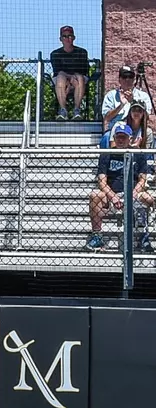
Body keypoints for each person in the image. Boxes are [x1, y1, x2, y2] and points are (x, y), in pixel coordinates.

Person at [88, 122, 152, 250]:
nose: (121, 140)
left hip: (134, 193)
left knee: (149, 198)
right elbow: (102, 182)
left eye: (124, 137)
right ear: (114, 138)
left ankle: (144, 235)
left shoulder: (138, 154)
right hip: (112, 195)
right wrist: (113, 197)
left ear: (130, 139)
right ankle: (97, 236)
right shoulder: (106, 154)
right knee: (95, 195)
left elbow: (142, 179)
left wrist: (133, 193)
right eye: (118, 137)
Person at [50, 26, 91, 120]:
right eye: (64, 36)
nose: (67, 38)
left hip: (78, 79)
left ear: (73, 37)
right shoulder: (55, 54)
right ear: (60, 39)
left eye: (69, 36)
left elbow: (83, 70)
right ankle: (63, 110)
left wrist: (72, 80)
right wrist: (69, 80)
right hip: (63, 80)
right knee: (61, 77)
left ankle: (77, 110)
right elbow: (57, 71)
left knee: (79, 77)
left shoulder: (82, 52)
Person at [101, 64, 153, 132]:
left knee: (149, 133)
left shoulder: (143, 96)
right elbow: (107, 118)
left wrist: (133, 102)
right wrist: (121, 105)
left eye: (130, 77)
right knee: (106, 137)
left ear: (134, 79)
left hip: (136, 130)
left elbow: (147, 117)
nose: (127, 79)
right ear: (119, 79)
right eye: (124, 77)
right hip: (115, 131)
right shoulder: (111, 95)